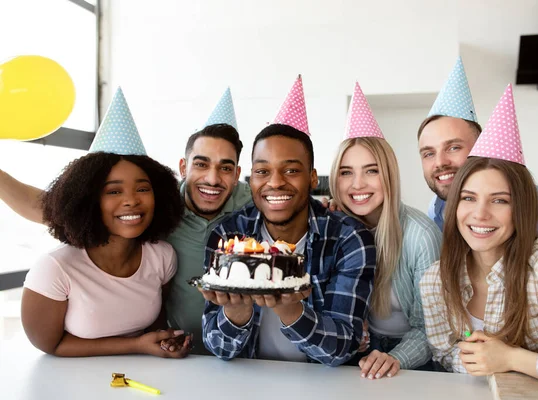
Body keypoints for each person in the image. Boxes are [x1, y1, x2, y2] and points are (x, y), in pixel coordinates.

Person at [0, 88, 252, 354]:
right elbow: (46, 207)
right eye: (201, 164)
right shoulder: (162, 209)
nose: (212, 179)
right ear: (183, 167)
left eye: (225, 168)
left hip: (238, 353)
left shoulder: (252, 207)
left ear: (237, 173)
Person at [420, 86, 538, 399]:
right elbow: (446, 353)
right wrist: (477, 356)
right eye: (468, 198)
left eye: (500, 200)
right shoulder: (436, 279)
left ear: (521, 207)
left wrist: (510, 358)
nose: (481, 214)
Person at [200, 76, 376, 366]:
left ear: (312, 177)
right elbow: (218, 348)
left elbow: (344, 346)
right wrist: (236, 313)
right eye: (262, 171)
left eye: (291, 170)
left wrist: (291, 309)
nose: (275, 183)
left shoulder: (349, 239)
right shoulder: (228, 236)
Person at [21, 88, 190, 357]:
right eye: (113, 191)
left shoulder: (162, 256)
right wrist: (135, 346)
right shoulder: (55, 268)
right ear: (88, 201)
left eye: (143, 189)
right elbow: (49, 344)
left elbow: (154, 326)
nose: (131, 201)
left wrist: (164, 342)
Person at [418, 57, 538, 301]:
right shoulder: (436, 213)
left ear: (481, 150)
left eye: (453, 148)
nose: (440, 162)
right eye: (428, 153)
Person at [328, 83, 441, 378]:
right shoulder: (334, 230)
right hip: (357, 354)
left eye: (371, 170)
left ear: (388, 174)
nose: (358, 185)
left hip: (413, 357)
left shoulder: (421, 235)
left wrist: (396, 357)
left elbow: (431, 328)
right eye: (346, 172)